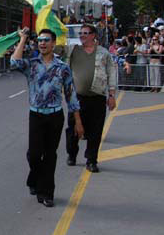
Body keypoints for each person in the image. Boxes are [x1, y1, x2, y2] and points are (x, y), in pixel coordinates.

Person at [11, 28, 84, 207]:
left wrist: (78, 121)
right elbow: (14, 62)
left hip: (55, 116)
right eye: (40, 40)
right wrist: (23, 39)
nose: (42, 43)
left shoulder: (62, 68)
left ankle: (47, 192)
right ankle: (34, 178)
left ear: (53, 44)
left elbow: (71, 94)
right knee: (35, 155)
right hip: (36, 115)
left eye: (46, 40)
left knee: (50, 155)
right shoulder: (32, 64)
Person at [64, 24, 118, 173]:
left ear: (93, 35)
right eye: (80, 33)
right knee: (73, 128)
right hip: (77, 97)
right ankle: (72, 153)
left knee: (95, 130)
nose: (82, 35)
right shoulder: (73, 50)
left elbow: (111, 73)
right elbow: (58, 48)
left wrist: (112, 95)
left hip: (97, 97)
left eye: (85, 33)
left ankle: (91, 160)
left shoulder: (103, 53)